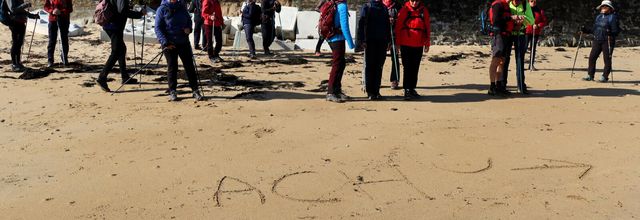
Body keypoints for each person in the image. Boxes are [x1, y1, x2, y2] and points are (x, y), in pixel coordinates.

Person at [155, 0, 203, 101]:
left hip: (183, 42)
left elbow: (189, 21)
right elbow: (158, 28)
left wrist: (189, 29)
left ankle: (195, 90)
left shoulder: (182, 7)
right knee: (172, 67)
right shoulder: (162, 9)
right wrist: (166, 42)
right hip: (169, 44)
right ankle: (172, 90)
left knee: (190, 67)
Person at [96, 0, 145, 92]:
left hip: (109, 24)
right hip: (114, 25)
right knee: (116, 51)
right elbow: (122, 11)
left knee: (121, 49)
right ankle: (102, 78)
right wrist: (139, 14)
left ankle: (125, 77)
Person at [394, 0, 430, 100]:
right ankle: (407, 90)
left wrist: (427, 43)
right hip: (406, 44)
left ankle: (412, 88)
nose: (414, 3)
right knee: (407, 67)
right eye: (412, 0)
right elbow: (398, 28)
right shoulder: (404, 10)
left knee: (415, 67)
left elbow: (427, 27)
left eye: (416, 1)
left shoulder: (424, 11)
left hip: (418, 44)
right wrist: (397, 44)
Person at [358, 0, 390, 100]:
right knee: (370, 66)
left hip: (382, 42)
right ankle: (370, 92)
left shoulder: (384, 8)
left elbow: (387, 25)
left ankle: (376, 91)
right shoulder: (367, 7)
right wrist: (362, 40)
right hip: (370, 42)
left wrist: (389, 40)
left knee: (379, 66)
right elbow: (361, 24)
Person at [582, 0, 620, 83]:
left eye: (605, 6)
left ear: (610, 8)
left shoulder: (613, 17)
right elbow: (594, 29)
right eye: (602, 6)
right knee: (592, 57)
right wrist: (585, 30)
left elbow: (616, 31)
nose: (603, 8)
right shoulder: (598, 17)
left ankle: (604, 77)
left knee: (607, 59)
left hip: (608, 41)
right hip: (597, 40)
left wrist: (610, 32)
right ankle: (590, 75)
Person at [324, 0, 354, 103]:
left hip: (331, 37)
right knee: (337, 64)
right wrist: (351, 44)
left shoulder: (334, 3)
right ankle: (331, 92)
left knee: (341, 64)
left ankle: (337, 91)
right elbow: (345, 26)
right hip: (337, 39)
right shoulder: (342, 6)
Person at [501, 0, 533, 94]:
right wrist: (513, 19)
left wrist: (523, 20)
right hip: (508, 34)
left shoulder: (525, 4)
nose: (517, 1)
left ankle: (521, 86)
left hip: (521, 34)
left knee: (520, 59)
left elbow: (531, 20)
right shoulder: (507, 3)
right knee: (505, 59)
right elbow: (502, 17)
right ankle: (502, 85)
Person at [5, 0, 40, 72]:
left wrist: (32, 16)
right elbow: (13, 9)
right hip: (14, 22)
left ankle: (18, 63)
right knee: (16, 43)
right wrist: (25, 5)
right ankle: (14, 64)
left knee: (19, 43)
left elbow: (21, 11)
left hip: (20, 22)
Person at [487, 0, 513, 96]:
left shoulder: (505, 5)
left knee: (502, 61)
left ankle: (498, 86)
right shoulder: (497, 4)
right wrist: (510, 18)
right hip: (498, 36)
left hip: (505, 36)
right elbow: (496, 21)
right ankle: (492, 87)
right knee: (496, 60)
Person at [44, 0, 72, 68]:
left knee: (64, 39)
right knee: (52, 40)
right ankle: (50, 60)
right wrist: (52, 11)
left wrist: (61, 12)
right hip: (52, 20)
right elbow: (46, 6)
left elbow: (70, 8)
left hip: (64, 19)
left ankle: (64, 58)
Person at [382, 0, 401, 90]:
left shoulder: (397, 6)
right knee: (379, 60)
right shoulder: (378, 4)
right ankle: (376, 80)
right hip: (382, 37)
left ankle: (395, 80)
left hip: (394, 36)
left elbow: (402, 22)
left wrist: (395, 21)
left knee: (395, 58)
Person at [525, 0, 546, 71]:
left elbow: (544, 21)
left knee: (533, 48)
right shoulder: (525, 10)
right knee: (524, 48)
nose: (533, 2)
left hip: (535, 32)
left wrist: (538, 25)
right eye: (531, 1)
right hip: (526, 32)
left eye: (535, 1)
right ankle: (521, 64)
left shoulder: (540, 11)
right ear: (528, 2)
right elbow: (523, 19)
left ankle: (531, 64)